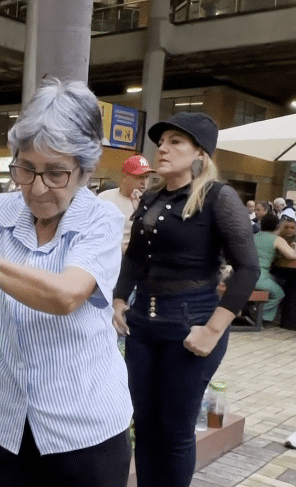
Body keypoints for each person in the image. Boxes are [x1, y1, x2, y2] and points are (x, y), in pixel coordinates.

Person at [0, 79, 132, 487]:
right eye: (25, 169)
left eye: (56, 173)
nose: (37, 188)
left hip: (84, 430)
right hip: (2, 422)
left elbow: (65, 294)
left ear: (85, 170)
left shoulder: (101, 220)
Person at [112, 112, 260, 487]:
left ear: (200, 153)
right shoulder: (149, 197)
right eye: (162, 141)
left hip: (192, 324)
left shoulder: (217, 198)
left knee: (175, 429)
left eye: (176, 141)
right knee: (144, 423)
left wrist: (213, 329)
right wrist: (118, 298)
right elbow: (134, 257)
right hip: (143, 324)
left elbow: (247, 269)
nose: (162, 147)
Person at [99, 154, 153, 253]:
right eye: (139, 177)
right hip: (104, 254)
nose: (144, 183)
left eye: (147, 177)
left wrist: (139, 210)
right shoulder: (104, 198)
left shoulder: (149, 203)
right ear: (125, 177)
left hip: (131, 258)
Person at [254, 213, 296, 324]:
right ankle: (259, 316)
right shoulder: (276, 239)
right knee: (279, 294)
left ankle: (256, 310)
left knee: (277, 281)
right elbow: (292, 256)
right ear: (277, 226)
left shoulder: (253, 236)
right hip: (260, 277)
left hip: (244, 275)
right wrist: (294, 247)